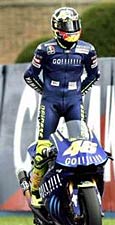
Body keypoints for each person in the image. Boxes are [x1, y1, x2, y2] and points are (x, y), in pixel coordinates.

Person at [24, 7, 101, 208]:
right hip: (50, 103)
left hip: (75, 103)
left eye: (75, 25)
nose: (72, 29)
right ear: (57, 29)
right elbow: (29, 75)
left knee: (81, 146)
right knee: (42, 149)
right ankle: (35, 190)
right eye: (68, 26)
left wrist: (78, 93)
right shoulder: (44, 49)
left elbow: (94, 75)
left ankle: (79, 191)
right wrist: (45, 92)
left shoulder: (88, 49)